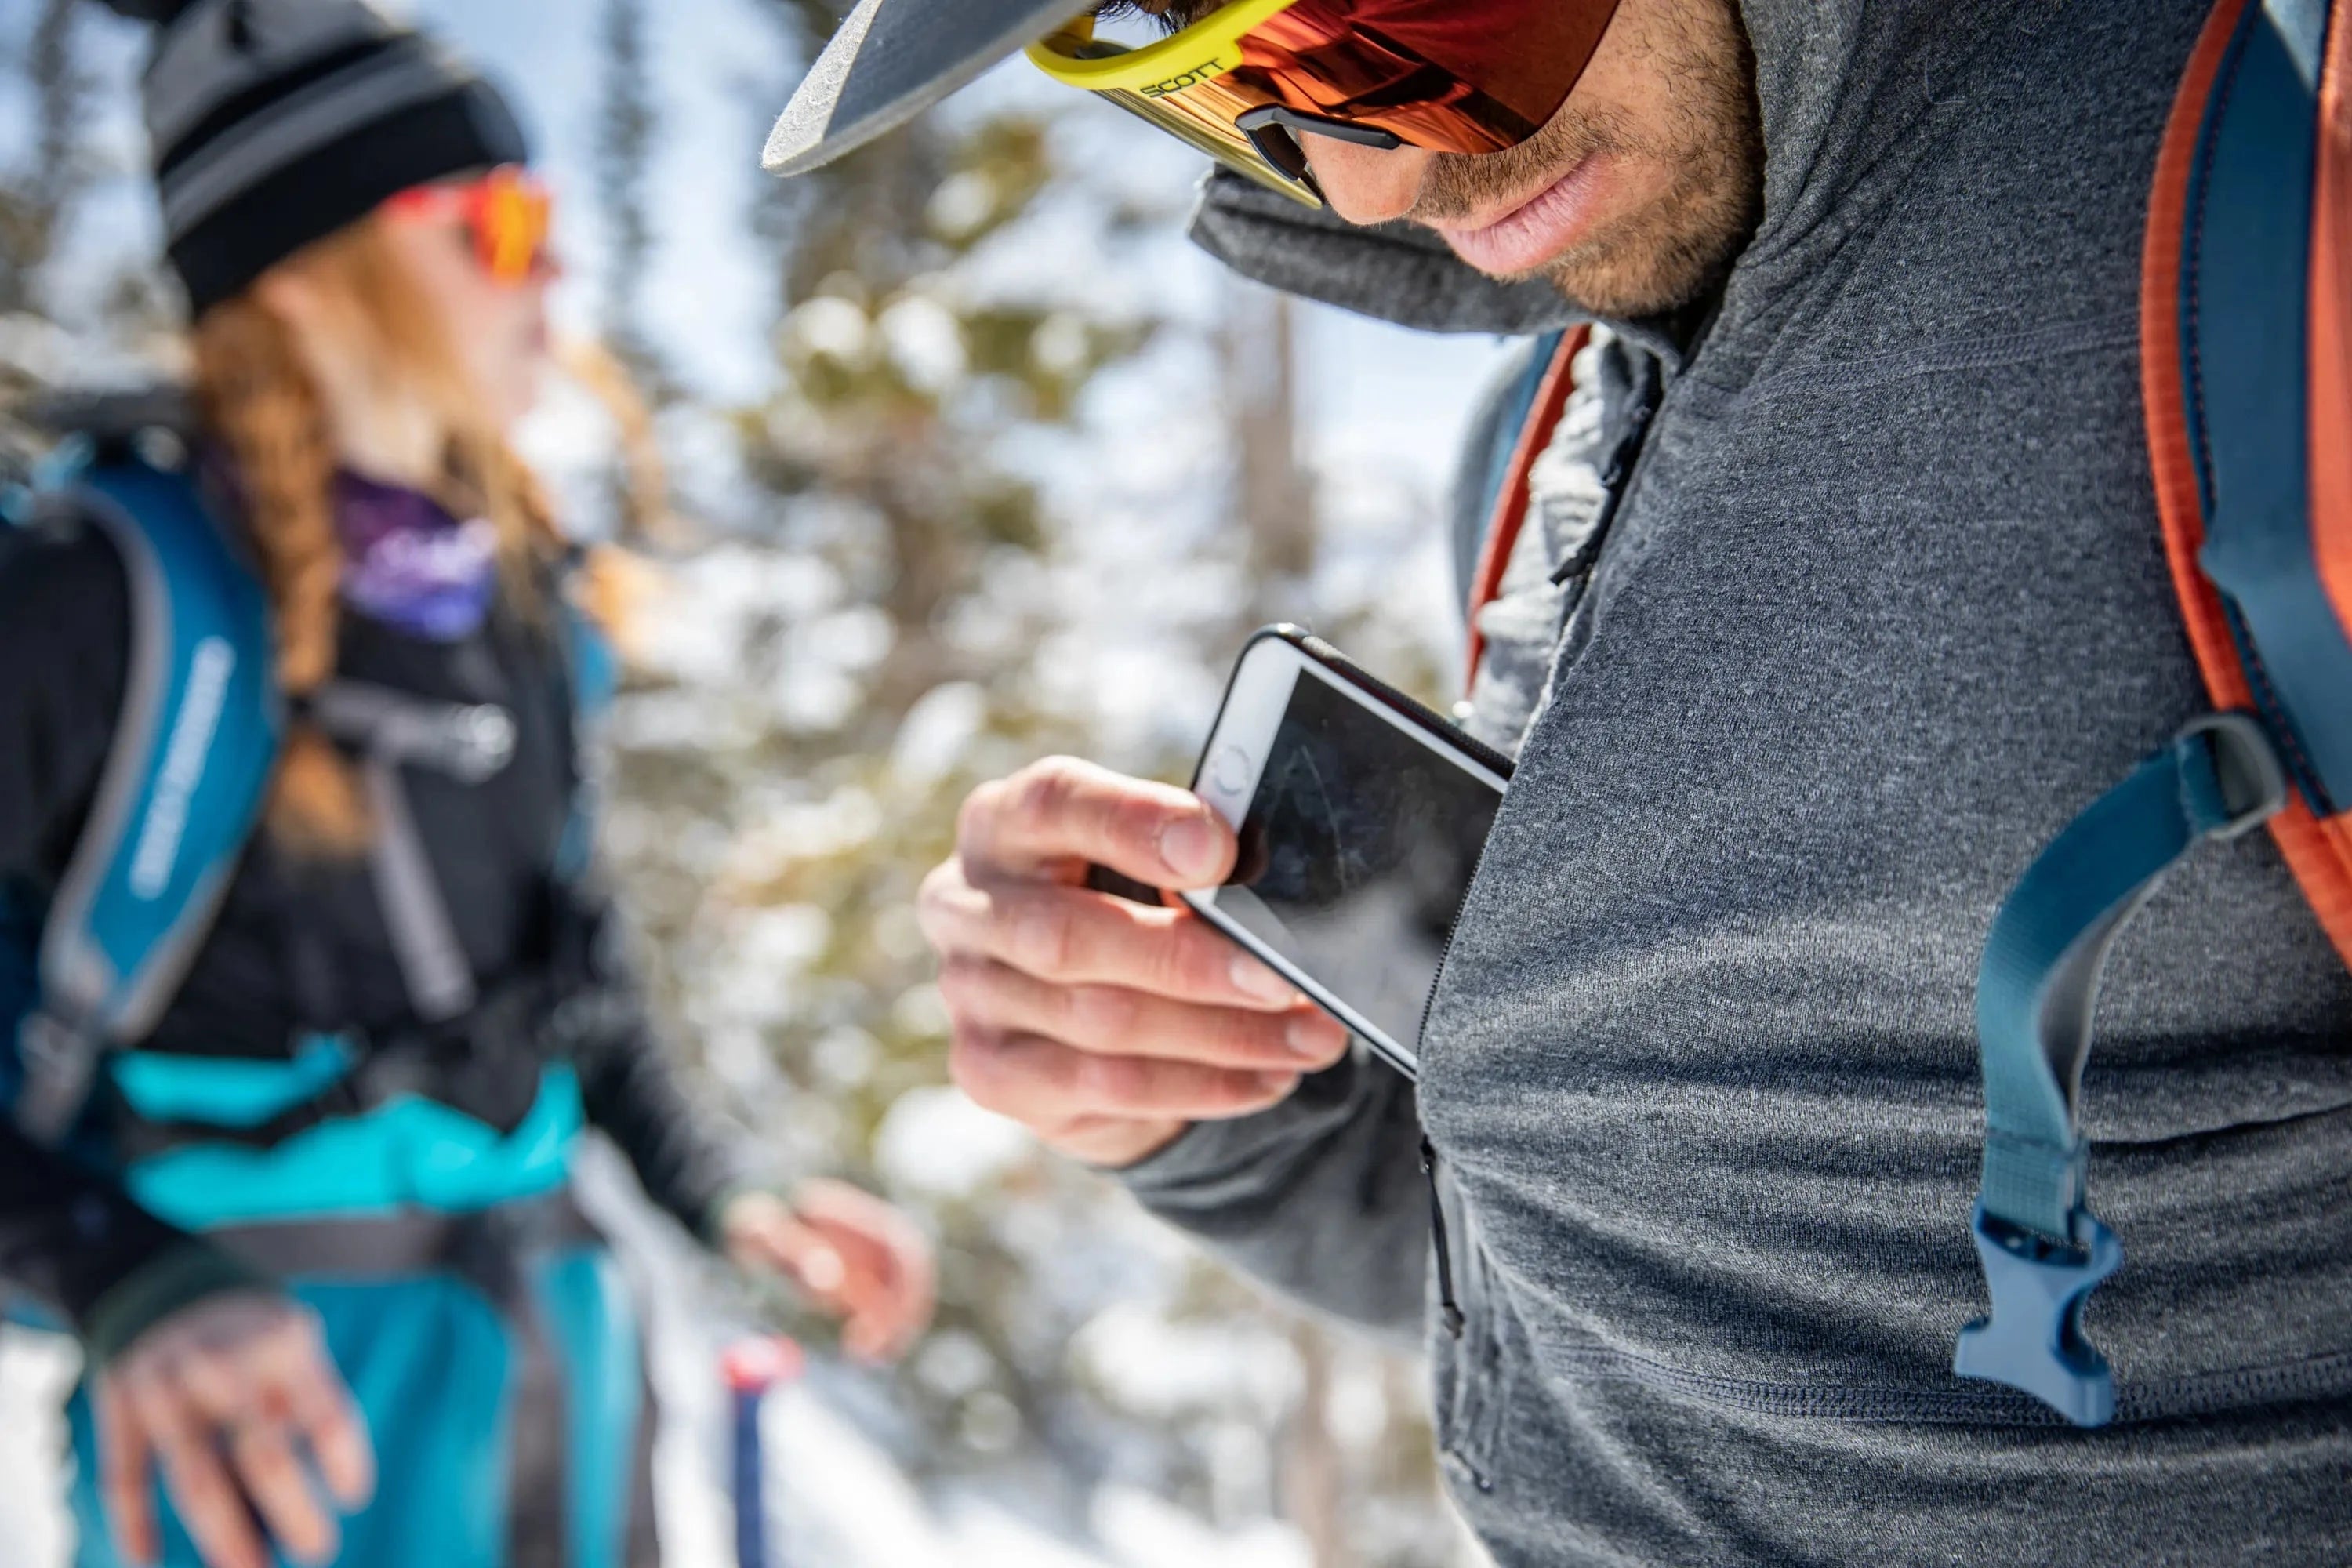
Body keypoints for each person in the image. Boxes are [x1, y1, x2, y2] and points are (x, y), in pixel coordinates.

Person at [764, 0, 2352, 1563]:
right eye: (1222, 69)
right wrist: (1177, 1101)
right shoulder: (1544, 438)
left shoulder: (2287, 227)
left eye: (1352, 11)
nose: (1366, 183)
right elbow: (1634, 1285)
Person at [0, 3, 931, 1566]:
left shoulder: (520, 599)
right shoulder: (96, 599)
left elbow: (569, 970)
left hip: (550, 1384)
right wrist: (121, 1275)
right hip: (263, 1445)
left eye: (548, 216)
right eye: (490, 224)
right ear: (300, 275)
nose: (552, 269)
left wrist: (723, 1197)